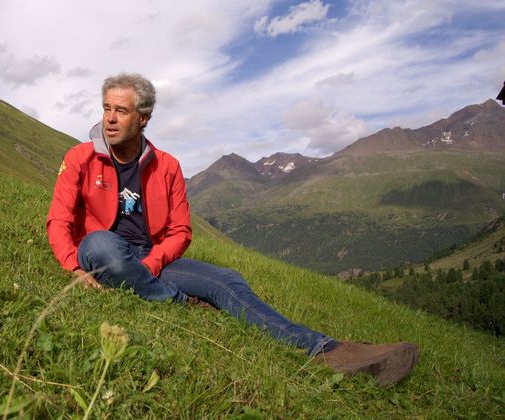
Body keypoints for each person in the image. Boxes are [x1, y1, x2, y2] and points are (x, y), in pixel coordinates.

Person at [46, 73, 419, 387]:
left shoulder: (168, 166)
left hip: (148, 253)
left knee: (225, 279)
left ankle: (326, 349)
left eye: (121, 111)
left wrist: (154, 261)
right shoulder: (79, 158)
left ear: (143, 118)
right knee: (100, 245)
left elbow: (180, 231)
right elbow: (59, 221)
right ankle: (175, 300)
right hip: (103, 249)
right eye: (107, 108)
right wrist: (74, 268)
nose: (110, 118)